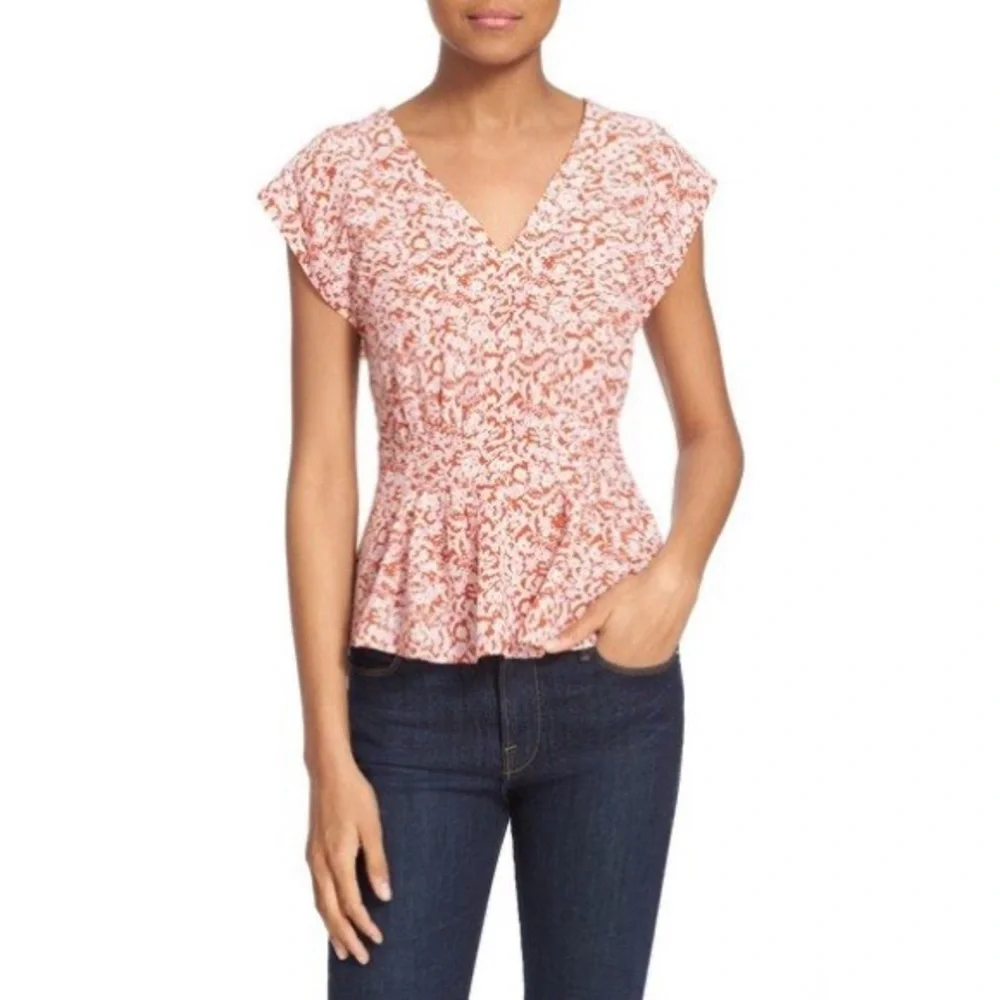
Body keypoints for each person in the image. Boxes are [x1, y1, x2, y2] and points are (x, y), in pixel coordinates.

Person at [256, 2, 743, 997]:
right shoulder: (341, 180)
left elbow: (712, 436)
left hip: (610, 692)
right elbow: (321, 473)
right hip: (407, 698)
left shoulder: (642, 172)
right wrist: (326, 756)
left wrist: (674, 579)